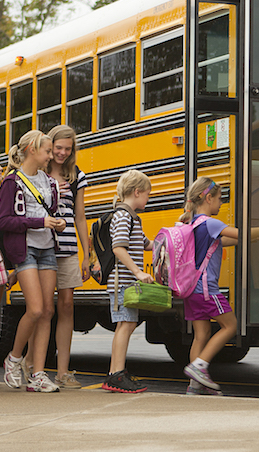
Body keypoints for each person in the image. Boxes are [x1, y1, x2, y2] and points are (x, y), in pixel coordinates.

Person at [178, 176, 259, 394]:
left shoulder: (193, 223)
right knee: (230, 326)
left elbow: (226, 241)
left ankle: (195, 384)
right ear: (208, 198)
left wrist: (251, 238)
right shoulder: (210, 223)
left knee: (201, 334)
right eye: (219, 199)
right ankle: (199, 366)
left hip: (191, 291)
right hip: (207, 289)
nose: (221, 203)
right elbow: (240, 233)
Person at [0, 130, 65, 393]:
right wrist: (39, 222)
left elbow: (52, 214)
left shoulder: (49, 182)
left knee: (48, 311)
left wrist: (57, 224)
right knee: (35, 309)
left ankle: (37, 373)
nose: (51, 156)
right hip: (24, 250)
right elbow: (3, 221)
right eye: (47, 151)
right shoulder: (12, 182)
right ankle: (13, 359)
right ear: (31, 150)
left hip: (47, 248)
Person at [46, 125, 91, 389]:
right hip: (43, 246)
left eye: (67, 148)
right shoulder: (38, 173)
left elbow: (80, 216)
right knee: (42, 309)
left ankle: (62, 371)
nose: (62, 153)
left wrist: (87, 255)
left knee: (66, 306)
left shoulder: (77, 176)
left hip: (68, 247)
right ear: (49, 146)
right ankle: (29, 362)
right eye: (58, 147)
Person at [101, 169, 153, 394]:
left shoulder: (132, 217)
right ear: (137, 191)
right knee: (126, 324)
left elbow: (149, 244)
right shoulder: (123, 216)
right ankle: (116, 374)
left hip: (126, 282)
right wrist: (138, 272)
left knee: (125, 324)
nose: (149, 199)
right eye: (148, 194)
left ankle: (115, 373)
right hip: (122, 281)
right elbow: (118, 248)